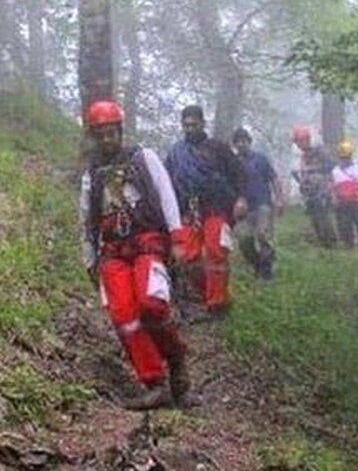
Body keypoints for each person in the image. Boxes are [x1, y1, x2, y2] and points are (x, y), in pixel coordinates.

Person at [80, 99, 194, 410]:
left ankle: (175, 357)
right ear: (94, 135)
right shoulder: (92, 174)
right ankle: (154, 382)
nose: (107, 139)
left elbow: (166, 193)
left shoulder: (143, 158)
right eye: (100, 134)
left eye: (111, 132)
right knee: (124, 317)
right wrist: (89, 259)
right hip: (113, 251)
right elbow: (86, 217)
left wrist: (178, 236)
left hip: (147, 242)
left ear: (120, 130)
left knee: (152, 304)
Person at [164, 105, 248, 317]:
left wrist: (241, 199)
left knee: (215, 252)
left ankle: (217, 303)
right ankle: (204, 293)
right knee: (189, 257)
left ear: (202, 123)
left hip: (216, 207)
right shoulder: (176, 153)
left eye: (193, 124)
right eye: (186, 125)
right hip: (189, 210)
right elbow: (166, 182)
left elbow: (239, 173)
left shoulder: (218, 148)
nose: (189, 129)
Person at [231, 127, 284, 279]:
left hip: (263, 204)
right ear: (234, 144)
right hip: (243, 209)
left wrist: (279, 199)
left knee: (263, 235)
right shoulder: (232, 162)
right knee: (243, 239)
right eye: (238, 141)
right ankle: (256, 263)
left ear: (249, 141)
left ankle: (267, 270)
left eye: (244, 141)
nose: (241, 144)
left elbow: (274, 179)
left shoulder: (261, 159)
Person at [290, 125, 337, 247]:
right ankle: (322, 240)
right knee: (314, 216)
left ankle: (331, 241)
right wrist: (299, 177)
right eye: (297, 142)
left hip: (322, 189)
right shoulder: (304, 155)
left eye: (300, 141)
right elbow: (303, 173)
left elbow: (331, 165)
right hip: (309, 190)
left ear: (306, 139)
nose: (298, 145)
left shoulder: (321, 151)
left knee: (323, 215)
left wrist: (311, 169)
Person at [331, 138, 358, 249]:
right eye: (343, 157)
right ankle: (347, 249)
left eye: (347, 157)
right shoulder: (336, 171)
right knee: (345, 227)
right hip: (343, 204)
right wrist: (334, 200)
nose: (345, 159)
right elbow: (333, 188)